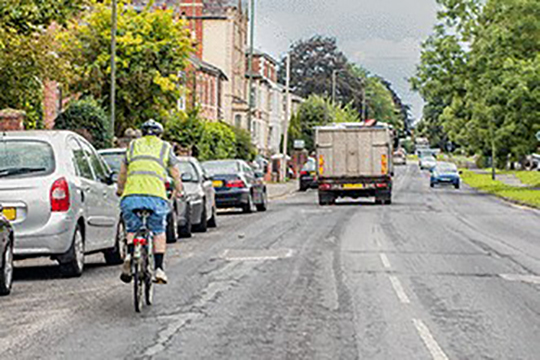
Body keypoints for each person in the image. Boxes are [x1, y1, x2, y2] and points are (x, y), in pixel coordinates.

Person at [116, 119, 183, 284]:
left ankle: (130, 255)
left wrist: (120, 189)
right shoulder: (165, 147)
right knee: (159, 231)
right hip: (156, 196)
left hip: (131, 196)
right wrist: (179, 190)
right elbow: (175, 173)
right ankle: (159, 269)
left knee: (132, 228)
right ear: (160, 135)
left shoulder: (132, 146)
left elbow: (123, 172)